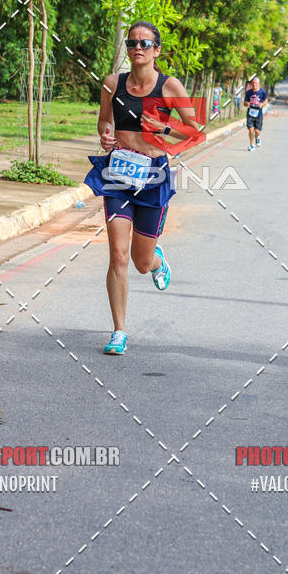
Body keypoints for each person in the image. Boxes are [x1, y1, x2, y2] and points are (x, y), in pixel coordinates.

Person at [84, 21, 201, 356]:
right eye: (133, 42)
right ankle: (119, 330)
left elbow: (195, 130)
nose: (138, 48)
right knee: (118, 255)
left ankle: (155, 261)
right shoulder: (112, 83)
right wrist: (106, 134)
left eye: (145, 43)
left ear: (157, 50)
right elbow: (104, 121)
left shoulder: (169, 87)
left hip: (152, 179)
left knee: (139, 261)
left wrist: (164, 127)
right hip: (118, 176)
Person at [244, 77, 268, 150]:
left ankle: (257, 137)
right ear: (251, 84)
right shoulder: (248, 92)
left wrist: (262, 104)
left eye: (256, 83)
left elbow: (266, 101)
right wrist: (247, 104)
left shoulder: (262, 92)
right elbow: (244, 103)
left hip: (258, 115)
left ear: (258, 84)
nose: (254, 85)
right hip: (250, 114)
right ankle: (251, 145)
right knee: (251, 130)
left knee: (257, 131)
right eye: (253, 83)